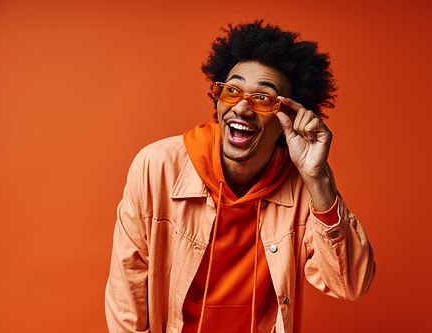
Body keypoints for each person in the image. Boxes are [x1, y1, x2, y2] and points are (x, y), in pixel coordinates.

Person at [105, 21, 376, 333]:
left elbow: (351, 285)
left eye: (263, 99)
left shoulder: (305, 186)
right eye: (232, 91)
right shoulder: (157, 167)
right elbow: (127, 286)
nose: (242, 108)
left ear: (290, 117)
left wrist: (318, 179)